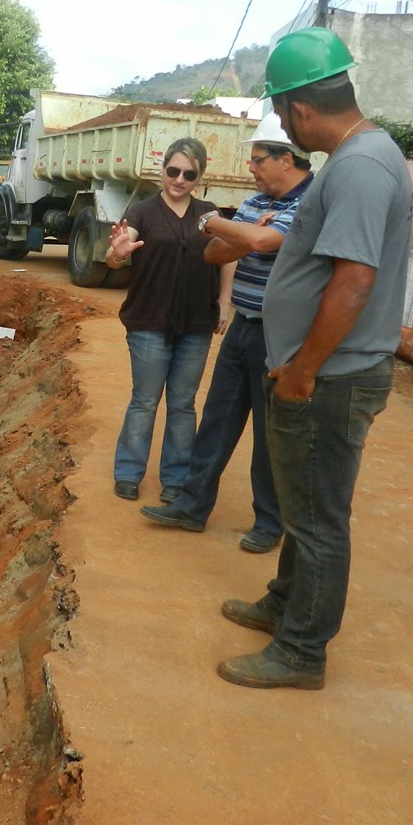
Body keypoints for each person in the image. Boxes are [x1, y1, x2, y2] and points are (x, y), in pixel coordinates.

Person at [217, 27, 412, 691]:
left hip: (329, 375)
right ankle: (283, 604)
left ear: (299, 110)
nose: (280, 123)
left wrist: (303, 369)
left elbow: (354, 281)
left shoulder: (358, 167)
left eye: (278, 110)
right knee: (303, 504)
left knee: (319, 516)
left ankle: (302, 651)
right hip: (325, 369)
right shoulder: (365, 157)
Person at [137, 113, 312, 552]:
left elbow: (258, 244)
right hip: (243, 328)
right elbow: (216, 254)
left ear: (285, 159)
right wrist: (248, 231)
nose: (250, 167)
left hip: (282, 337)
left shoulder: (312, 203)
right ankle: (192, 507)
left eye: (256, 160)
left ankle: (269, 524)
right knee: (216, 419)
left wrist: (218, 223)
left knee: (269, 434)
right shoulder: (257, 202)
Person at [105, 137, 233, 503]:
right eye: (173, 171)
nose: (179, 179)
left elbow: (229, 256)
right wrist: (117, 255)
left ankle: (176, 479)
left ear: (199, 177)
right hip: (149, 322)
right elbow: (117, 249)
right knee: (144, 400)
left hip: (195, 323)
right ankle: (128, 472)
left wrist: (224, 302)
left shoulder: (208, 214)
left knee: (182, 403)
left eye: (188, 174)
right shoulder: (143, 212)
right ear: (162, 171)